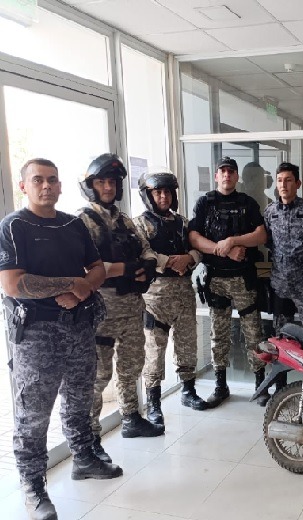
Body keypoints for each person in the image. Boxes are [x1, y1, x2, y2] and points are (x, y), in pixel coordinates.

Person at [0, 159, 122, 520]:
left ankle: (84, 458)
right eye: (38, 180)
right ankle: (33, 487)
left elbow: (97, 268)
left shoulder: (73, 224)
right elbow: (13, 284)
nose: (46, 186)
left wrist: (85, 289)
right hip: (37, 335)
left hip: (80, 327)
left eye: (52, 180)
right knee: (34, 415)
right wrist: (73, 284)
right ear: (24, 186)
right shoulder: (13, 226)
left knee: (79, 399)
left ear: (60, 185)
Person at [78, 153, 164, 459]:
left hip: (131, 307)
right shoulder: (82, 221)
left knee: (131, 366)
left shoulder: (125, 220)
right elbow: (85, 269)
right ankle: (89, 439)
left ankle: (131, 418)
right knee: (98, 376)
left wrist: (148, 266)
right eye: (101, 182)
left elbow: (146, 248)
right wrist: (124, 269)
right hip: (101, 311)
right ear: (91, 185)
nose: (108, 187)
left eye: (112, 182)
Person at [189, 157, 269, 407]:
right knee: (218, 335)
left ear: (236, 177)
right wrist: (223, 250)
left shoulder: (247, 203)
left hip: (243, 278)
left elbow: (261, 235)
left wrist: (234, 241)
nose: (226, 175)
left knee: (254, 333)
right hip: (216, 280)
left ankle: (260, 386)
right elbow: (194, 237)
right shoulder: (205, 203)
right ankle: (220, 385)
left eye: (231, 172)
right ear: (216, 176)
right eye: (222, 171)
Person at [133, 170, 208, 423]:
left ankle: (188, 391)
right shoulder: (139, 224)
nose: (163, 197)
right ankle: (154, 403)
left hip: (184, 293)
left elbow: (199, 249)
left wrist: (189, 258)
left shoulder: (183, 223)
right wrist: (169, 262)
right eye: (158, 192)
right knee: (154, 352)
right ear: (149, 195)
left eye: (167, 192)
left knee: (188, 346)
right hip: (155, 298)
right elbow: (142, 252)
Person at [264, 162, 303, 335]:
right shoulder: (270, 212)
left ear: (298, 184)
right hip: (280, 284)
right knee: (282, 334)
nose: (283, 185)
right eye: (279, 180)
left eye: (288, 180)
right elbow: (267, 241)